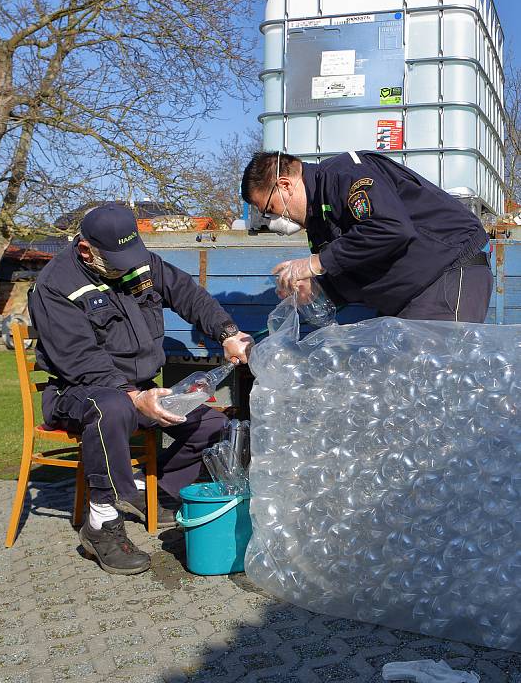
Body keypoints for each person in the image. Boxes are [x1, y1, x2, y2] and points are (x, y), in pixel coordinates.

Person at [29, 203, 253, 575]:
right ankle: (101, 524)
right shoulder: (55, 286)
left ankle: (154, 492)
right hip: (79, 390)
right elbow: (79, 360)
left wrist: (228, 334)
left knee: (209, 424)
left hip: (138, 386)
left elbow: (189, 296)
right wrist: (135, 398)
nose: (130, 266)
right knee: (112, 407)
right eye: (118, 259)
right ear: (87, 250)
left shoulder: (138, 262)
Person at [241, 150, 493, 322]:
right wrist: (318, 288)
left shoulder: (344, 175)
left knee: (434, 384)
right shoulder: (318, 220)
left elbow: (390, 228)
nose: (276, 220)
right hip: (405, 298)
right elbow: (355, 264)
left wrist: (315, 263)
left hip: (444, 277)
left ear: (284, 184)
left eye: (271, 209)